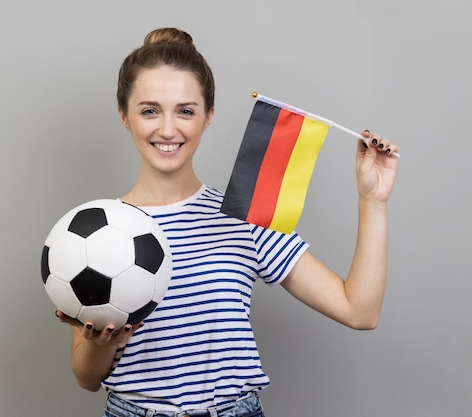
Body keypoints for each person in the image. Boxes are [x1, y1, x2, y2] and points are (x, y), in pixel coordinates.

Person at [55, 27, 400, 417]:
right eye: (150, 110)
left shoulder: (243, 214)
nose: (168, 129)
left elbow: (360, 311)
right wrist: (102, 344)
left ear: (208, 117)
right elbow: (86, 378)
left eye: (186, 111)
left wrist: (373, 200)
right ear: (124, 116)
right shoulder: (94, 231)